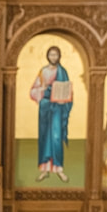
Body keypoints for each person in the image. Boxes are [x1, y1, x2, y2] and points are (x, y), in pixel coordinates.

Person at [29, 45, 73, 182]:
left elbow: (68, 90)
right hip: (45, 107)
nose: (53, 57)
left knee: (56, 136)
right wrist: (42, 90)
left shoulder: (62, 72)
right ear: (47, 56)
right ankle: (44, 169)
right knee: (44, 137)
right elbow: (33, 90)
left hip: (58, 108)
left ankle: (58, 168)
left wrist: (64, 99)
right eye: (51, 55)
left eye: (55, 55)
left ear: (59, 56)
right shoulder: (43, 72)